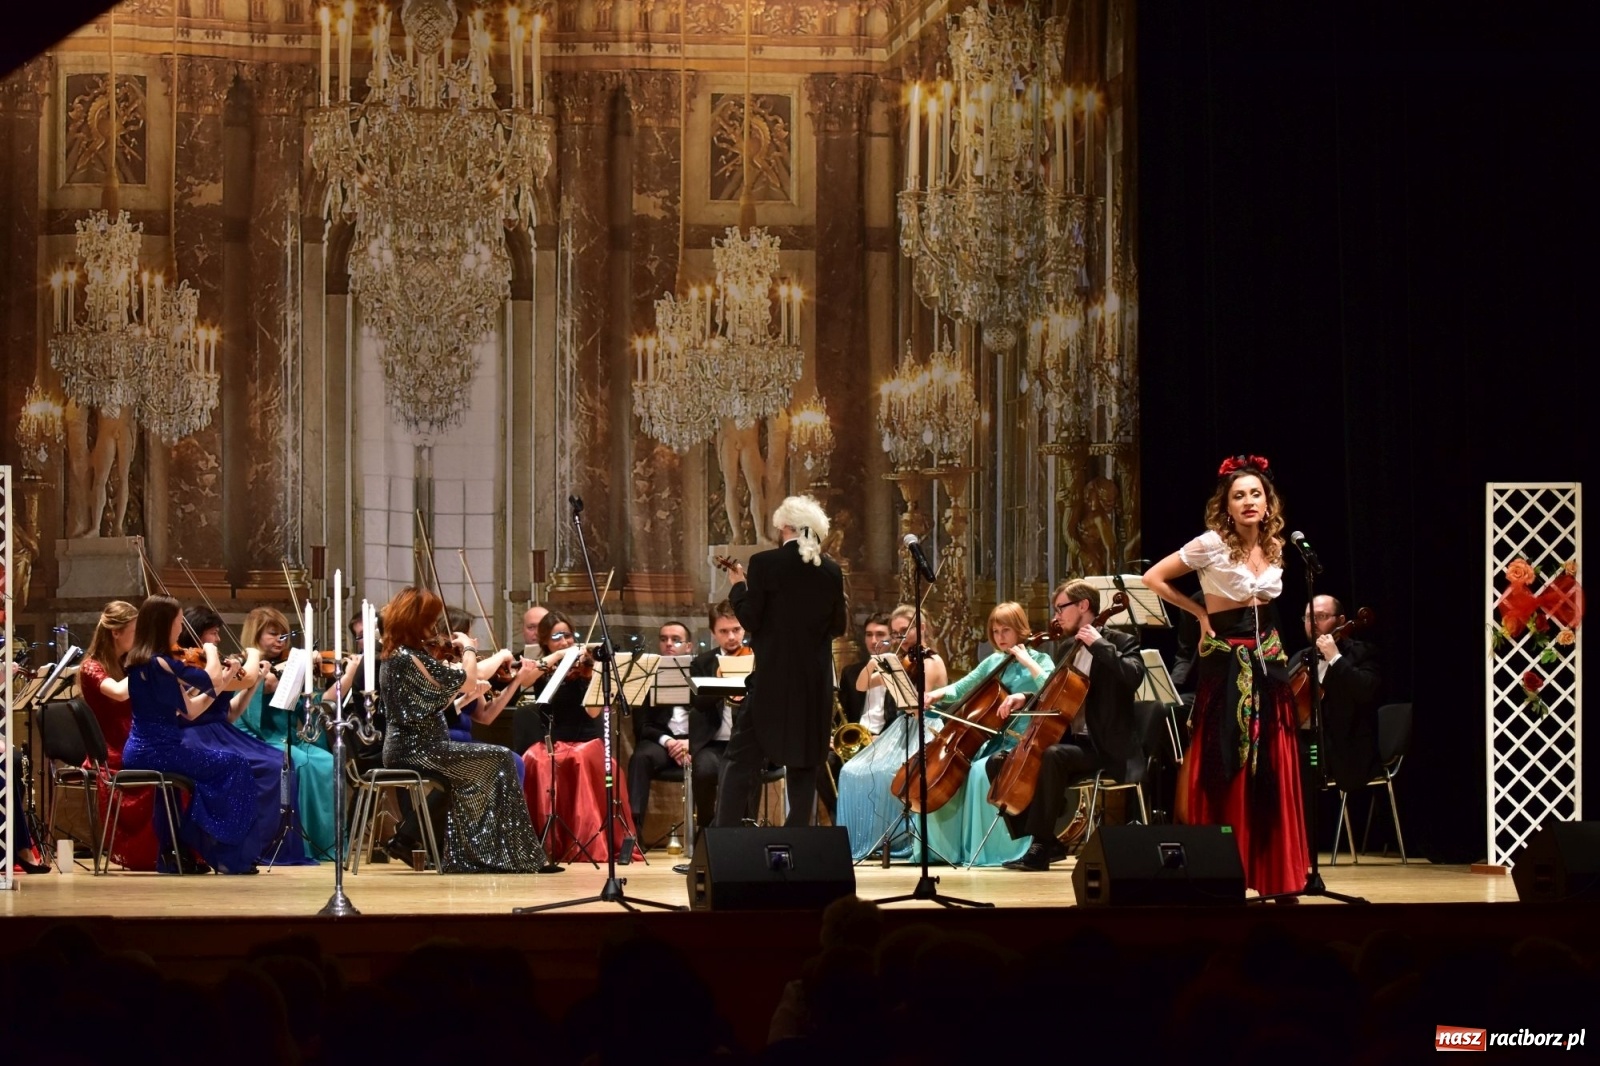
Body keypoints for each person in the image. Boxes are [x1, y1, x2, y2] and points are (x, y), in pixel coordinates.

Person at [1143, 454, 1310, 897]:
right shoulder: (1211, 544)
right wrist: (1199, 613)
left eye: (1256, 494)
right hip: (1226, 657)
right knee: (1225, 756)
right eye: (1239, 496)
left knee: (1272, 760)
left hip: (1268, 659)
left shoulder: (1275, 546)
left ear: (1268, 503)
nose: (1249, 501)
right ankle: (1220, 872)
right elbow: (1153, 578)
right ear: (1227, 505)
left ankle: (1275, 875)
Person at [378, 586, 549, 873]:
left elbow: (447, 698)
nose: (435, 627)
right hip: (417, 748)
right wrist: (469, 647)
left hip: (422, 746)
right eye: (431, 620)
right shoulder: (409, 658)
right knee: (501, 758)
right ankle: (497, 855)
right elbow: (468, 680)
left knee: (494, 763)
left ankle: (493, 854)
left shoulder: (406, 655)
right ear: (417, 621)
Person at [712, 495, 847, 828]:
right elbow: (838, 626)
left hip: (772, 682)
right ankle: (795, 841)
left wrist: (738, 587)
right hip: (813, 685)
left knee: (740, 759)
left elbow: (751, 619)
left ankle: (724, 836)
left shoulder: (764, 563)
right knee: (805, 764)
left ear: (785, 526)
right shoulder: (831, 570)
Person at [993, 579, 1147, 870]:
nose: (1056, 617)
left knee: (1054, 756)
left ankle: (1040, 847)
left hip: (1106, 747)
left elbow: (1134, 676)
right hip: (1075, 744)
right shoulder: (1067, 647)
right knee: (1001, 762)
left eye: (1060, 608)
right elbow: (1057, 692)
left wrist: (1099, 645)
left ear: (1083, 606)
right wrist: (1024, 698)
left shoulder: (1120, 641)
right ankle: (1048, 841)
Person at [120, 595, 264, 874]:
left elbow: (191, 710)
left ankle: (183, 850)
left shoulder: (145, 662)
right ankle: (223, 850)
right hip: (158, 751)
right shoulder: (160, 663)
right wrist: (210, 651)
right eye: (178, 622)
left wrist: (225, 680)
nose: (180, 628)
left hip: (147, 750)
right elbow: (209, 679)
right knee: (236, 764)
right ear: (166, 624)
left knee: (217, 769)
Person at [917, 602, 1053, 867]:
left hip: (1024, 740)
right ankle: (952, 849)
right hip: (994, 739)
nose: (1000, 637)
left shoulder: (1040, 660)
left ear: (1020, 629)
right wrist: (935, 694)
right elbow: (963, 687)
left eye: (1006, 630)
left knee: (980, 772)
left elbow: (1050, 687)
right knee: (957, 772)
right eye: (996, 631)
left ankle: (996, 850)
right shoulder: (994, 661)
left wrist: (1026, 661)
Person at [176, 607, 315, 866]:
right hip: (195, 736)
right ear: (197, 633)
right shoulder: (186, 667)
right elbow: (190, 712)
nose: (218, 639)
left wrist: (254, 683)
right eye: (213, 633)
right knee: (263, 766)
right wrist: (250, 658)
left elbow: (229, 714)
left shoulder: (214, 665)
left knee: (280, 761)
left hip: (221, 731)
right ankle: (250, 847)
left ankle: (273, 845)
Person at [518, 611, 643, 863]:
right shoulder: (543, 668)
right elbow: (523, 681)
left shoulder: (586, 667)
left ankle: (587, 842)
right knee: (534, 759)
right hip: (553, 742)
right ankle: (549, 843)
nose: (565, 641)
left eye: (568, 635)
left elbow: (593, 712)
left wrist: (597, 672)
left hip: (586, 743)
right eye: (556, 637)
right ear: (545, 641)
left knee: (581, 758)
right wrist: (558, 657)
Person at [834, 604, 949, 860]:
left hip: (926, 729)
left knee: (890, 772)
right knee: (851, 771)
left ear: (921, 629)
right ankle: (867, 840)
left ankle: (900, 839)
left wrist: (897, 679)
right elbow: (862, 684)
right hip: (903, 729)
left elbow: (919, 707)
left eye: (904, 631)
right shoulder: (904, 661)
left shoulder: (932, 661)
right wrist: (874, 662)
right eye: (896, 633)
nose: (900, 638)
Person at [234, 606, 337, 861]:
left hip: (289, 737)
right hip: (262, 739)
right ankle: (300, 844)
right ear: (255, 635)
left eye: (283, 634)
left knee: (327, 761)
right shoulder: (246, 666)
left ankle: (324, 843)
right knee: (300, 763)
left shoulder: (288, 666)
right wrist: (272, 679)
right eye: (272, 634)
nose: (280, 640)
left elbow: (304, 708)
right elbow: (249, 711)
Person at [77, 599, 163, 870]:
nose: (139, 639)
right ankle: (153, 852)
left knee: (179, 768)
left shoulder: (126, 664)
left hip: (134, 742)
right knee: (163, 776)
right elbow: (117, 692)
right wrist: (145, 665)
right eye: (136, 631)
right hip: (111, 751)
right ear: (116, 632)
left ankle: (174, 849)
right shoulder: (91, 667)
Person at [625, 621, 710, 842]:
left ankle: (707, 834)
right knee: (640, 758)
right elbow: (642, 726)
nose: (669, 644)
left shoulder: (704, 671)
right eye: (664, 639)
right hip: (662, 743)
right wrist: (669, 742)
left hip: (696, 742)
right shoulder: (647, 674)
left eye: (676, 640)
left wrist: (693, 743)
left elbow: (713, 718)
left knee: (709, 764)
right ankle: (633, 834)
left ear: (689, 646)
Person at [1290, 595, 1381, 794]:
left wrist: (1335, 658)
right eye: (1308, 617)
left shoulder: (1362, 652)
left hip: (1349, 753)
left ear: (1341, 620)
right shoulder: (1300, 659)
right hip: (1310, 753)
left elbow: (1366, 691)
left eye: (1321, 616)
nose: (1313, 623)